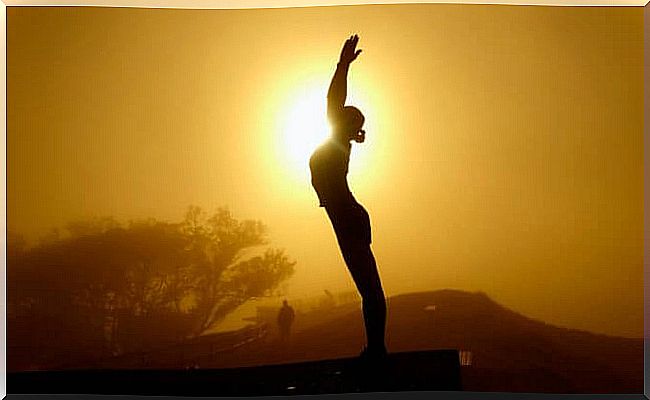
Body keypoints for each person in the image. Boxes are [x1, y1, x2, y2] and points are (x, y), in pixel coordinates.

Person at [309, 34, 388, 361]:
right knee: (369, 289)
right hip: (348, 217)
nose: (336, 113)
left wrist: (342, 67)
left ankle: (376, 350)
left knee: (370, 290)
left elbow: (334, 101)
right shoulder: (336, 143)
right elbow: (336, 103)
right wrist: (342, 67)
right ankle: (376, 349)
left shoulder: (336, 145)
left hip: (348, 218)